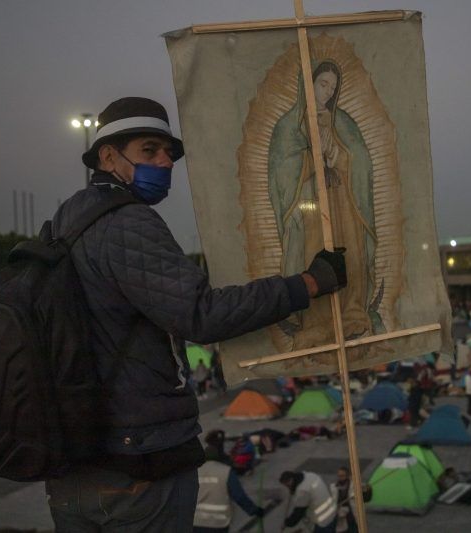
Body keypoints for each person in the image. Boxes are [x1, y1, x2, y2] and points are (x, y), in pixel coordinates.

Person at [44, 97, 348, 532]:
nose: (165, 162)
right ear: (107, 155)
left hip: (77, 463)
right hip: (138, 464)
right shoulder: (127, 222)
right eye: (149, 150)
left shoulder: (66, 219)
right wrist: (308, 284)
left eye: (169, 153)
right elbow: (201, 314)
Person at [269, 60, 376, 349]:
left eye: (333, 86)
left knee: (349, 248)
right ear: (310, 83)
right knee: (315, 254)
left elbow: (359, 159)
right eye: (322, 84)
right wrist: (312, 163)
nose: (328, 91)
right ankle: (317, 322)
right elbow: (282, 167)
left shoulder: (343, 122)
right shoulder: (290, 124)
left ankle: (352, 312)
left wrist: (339, 159)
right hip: (309, 201)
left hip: (342, 196)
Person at [195, 445, 264, 532]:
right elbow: (239, 496)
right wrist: (254, 510)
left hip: (196, 522)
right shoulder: (226, 471)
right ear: (218, 456)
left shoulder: (195, 472)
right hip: (218, 523)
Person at [329, 467, 372, 533]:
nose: (340, 478)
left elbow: (366, 497)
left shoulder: (355, 486)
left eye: (342, 476)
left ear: (347, 476)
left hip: (352, 516)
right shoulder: (333, 487)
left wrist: (367, 490)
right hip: (340, 516)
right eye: (339, 476)